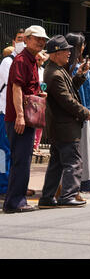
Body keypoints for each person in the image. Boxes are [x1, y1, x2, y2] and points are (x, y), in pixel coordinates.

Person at [38, 35, 90, 209]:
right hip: (65, 127)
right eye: (65, 50)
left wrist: (80, 75)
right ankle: (68, 195)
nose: (69, 53)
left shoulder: (57, 70)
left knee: (56, 163)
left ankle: (47, 197)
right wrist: (86, 113)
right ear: (55, 53)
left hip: (61, 126)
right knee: (73, 162)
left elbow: (70, 91)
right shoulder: (55, 73)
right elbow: (67, 100)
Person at [3, 25, 49, 213]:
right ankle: (15, 202)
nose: (41, 42)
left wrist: (39, 94)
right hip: (19, 119)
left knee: (23, 159)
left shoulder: (31, 60)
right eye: (37, 38)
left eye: (43, 39)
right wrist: (20, 117)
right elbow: (16, 88)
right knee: (20, 160)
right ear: (27, 39)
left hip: (25, 118)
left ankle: (15, 200)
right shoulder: (22, 60)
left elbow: (26, 88)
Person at [65, 32, 90, 199]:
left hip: (86, 112)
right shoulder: (72, 67)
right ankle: (83, 186)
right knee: (82, 151)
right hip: (80, 113)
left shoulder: (77, 65)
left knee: (88, 150)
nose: (83, 47)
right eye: (81, 45)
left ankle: (89, 185)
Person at [0, 29, 26, 196]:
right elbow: (14, 86)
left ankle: (13, 184)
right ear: (14, 42)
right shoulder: (8, 62)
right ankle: (3, 186)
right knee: (4, 151)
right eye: (19, 39)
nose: (22, 42)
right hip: (4, 111)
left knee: (15, 151)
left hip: (16, 113)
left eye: (25, 39)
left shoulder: (25, 61)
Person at [33, 50, 49, 155]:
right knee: (33, 122)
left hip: (42, 99)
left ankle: (36, 145)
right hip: (33, 100)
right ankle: (33, 145)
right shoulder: (32, 69)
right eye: (38, 59)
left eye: (42, 59)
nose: (40, 60)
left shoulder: (44, 70)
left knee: (40, 123)